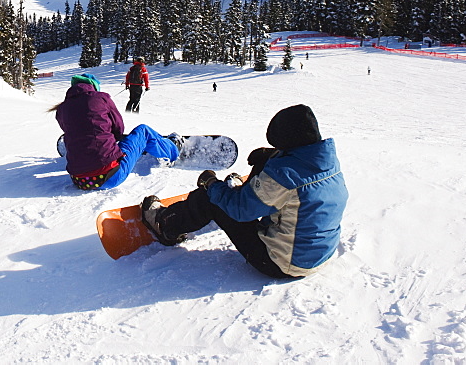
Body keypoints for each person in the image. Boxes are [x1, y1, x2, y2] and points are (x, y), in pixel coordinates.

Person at [140, 104, 348, 279]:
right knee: (266, 170)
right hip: (319, 254)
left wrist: (211, 184)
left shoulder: (284, 176)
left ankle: (165, 225)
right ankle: (246, 190)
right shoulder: (327, 161)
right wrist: (271, 157)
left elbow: (240, 210)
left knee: (211, 199)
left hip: (282, 264)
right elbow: (297, 179)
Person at [54, 73, 180, 190]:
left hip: (79, 181)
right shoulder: (101, 97)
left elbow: (70, 131)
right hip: (110, 176)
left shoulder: (62, 108)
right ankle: (174, 150)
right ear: (93, 86)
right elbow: (119, 129)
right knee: (144, 131)